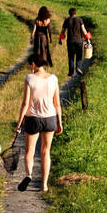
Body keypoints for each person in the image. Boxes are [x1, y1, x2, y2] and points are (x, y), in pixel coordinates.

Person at [16, 39, 62, 193]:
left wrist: (19, 123)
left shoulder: (30, 78)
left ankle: (28, 175)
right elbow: (57, 104)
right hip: (50, 118)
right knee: (45, 152)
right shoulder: (54, 79)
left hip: (33, 118)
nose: (30, 67)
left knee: (29, 151)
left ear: (34, 64)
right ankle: (44, 185)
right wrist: (59, 123)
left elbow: (25, 104)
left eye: (30, 64)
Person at [60, 7, 87, 76]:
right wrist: (88, 39)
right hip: (79, 41)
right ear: (75, 13)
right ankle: (78, 68)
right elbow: (84, 30)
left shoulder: (67, 20)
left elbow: (63, 31)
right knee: (79, 56)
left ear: (69, 13)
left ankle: (71, 72)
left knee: (71, 56)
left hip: (70, 41)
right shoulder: (79, 20)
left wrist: (60, 39)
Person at [30, 6, 54, 70]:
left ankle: (36, 63)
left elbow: (33, 30)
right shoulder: (47, 20)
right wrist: (50, 38)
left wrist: (31, 38)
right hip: (44, 37)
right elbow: (49, 31)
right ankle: (44, 63)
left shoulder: (37, 20)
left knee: (37, 51)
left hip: (37, 36)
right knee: (44, 50)